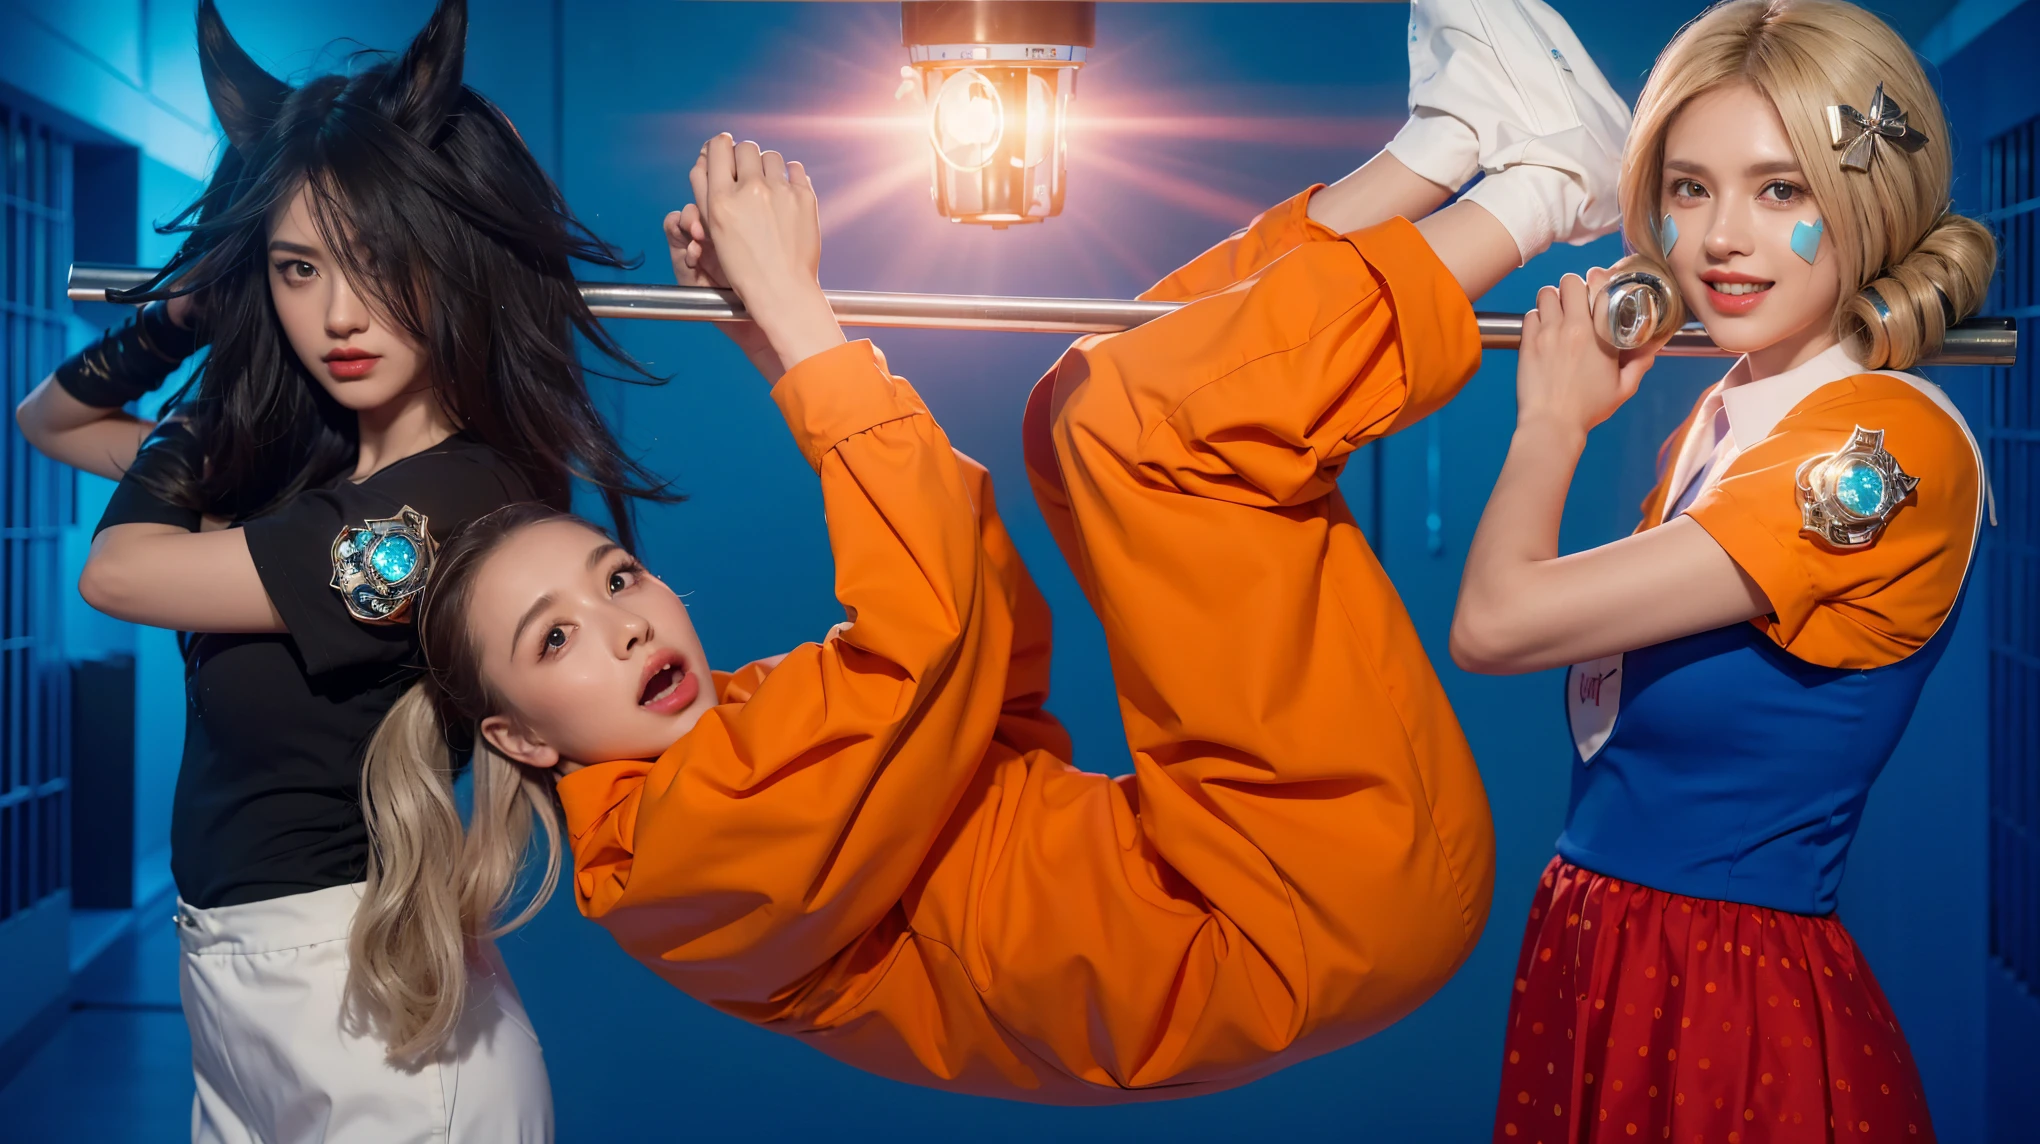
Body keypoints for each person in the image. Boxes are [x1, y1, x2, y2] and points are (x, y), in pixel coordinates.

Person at [363, 0, 1632, 1100]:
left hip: (1265, 857)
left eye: (616, 576)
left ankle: (1449, 146)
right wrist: (807, 326)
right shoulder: (675, 863)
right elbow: (933, 640)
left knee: (1077, 410)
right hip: (1304, 898)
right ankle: (1544, 191)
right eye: (558, 638)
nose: (628, 621)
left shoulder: (724, 749)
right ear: (520, 737)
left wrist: (778, 345)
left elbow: (987, 653)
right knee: (1147, 434)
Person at [12, 1, 668, 1138]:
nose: (339, 315)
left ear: (448, 262)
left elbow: (117, 573)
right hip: (236, 994)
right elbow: (52, 422)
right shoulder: (316, 472)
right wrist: (187, 313)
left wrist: (206, 417)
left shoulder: (456, 499)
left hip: (374, 1011)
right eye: (299, 268)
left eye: (379, 260)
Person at [1447, 2, 1995, 1139]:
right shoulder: (1728, 418)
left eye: (1780, 190)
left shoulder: (1878, 451)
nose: (1720, 239)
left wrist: (1550, 423)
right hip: (1607, 955)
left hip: (1730, 1002)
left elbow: (1498, 622)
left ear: (1866, 202)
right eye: (1691, 189)